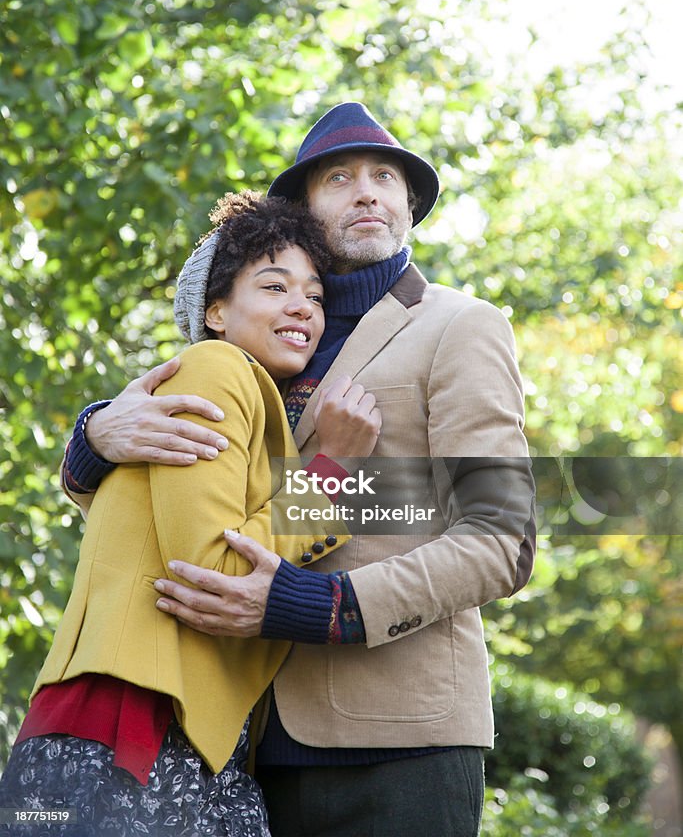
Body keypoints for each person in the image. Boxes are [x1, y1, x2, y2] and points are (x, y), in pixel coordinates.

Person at [56, 102, 536, 837]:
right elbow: (182, 520)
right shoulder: (257, 336)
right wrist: (95, 436)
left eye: (385, 176)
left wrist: (325, 606)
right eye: (339, 178)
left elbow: (500, 537)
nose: (368, 190)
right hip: (232, 746)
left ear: (409, 204)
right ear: (304, 211)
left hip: (399, 741)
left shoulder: (461, 325)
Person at [0, 193, 382, 837]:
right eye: (274, 285)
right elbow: (211, 570)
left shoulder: (246, 398)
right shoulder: (215, 368)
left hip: (185, 742)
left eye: (315, 296)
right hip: (126, 731)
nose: (302, 308)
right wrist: (335, 470)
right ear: (215, 311)